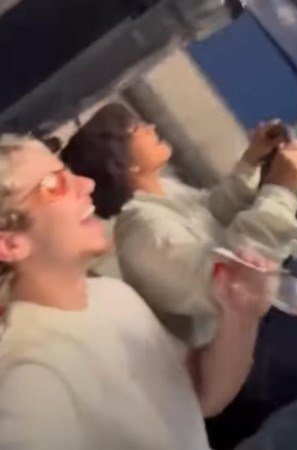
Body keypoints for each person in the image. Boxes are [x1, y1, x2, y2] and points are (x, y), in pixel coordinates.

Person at [61, 104, 297, 446]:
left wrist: (251, 161)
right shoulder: (142, 236)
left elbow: (213, 209)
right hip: (240, 353)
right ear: (123, 163)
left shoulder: (162, 193)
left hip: (259, 313)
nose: (150, 126)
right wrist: (280, 189)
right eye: (136, 129)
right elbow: (236, 281)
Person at [0, 135, 274, 448]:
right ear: (11, 244)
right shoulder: (31, 377)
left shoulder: (112, 294)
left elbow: (202, 392)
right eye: (53, 185)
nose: (86, 184)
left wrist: (240, 315)